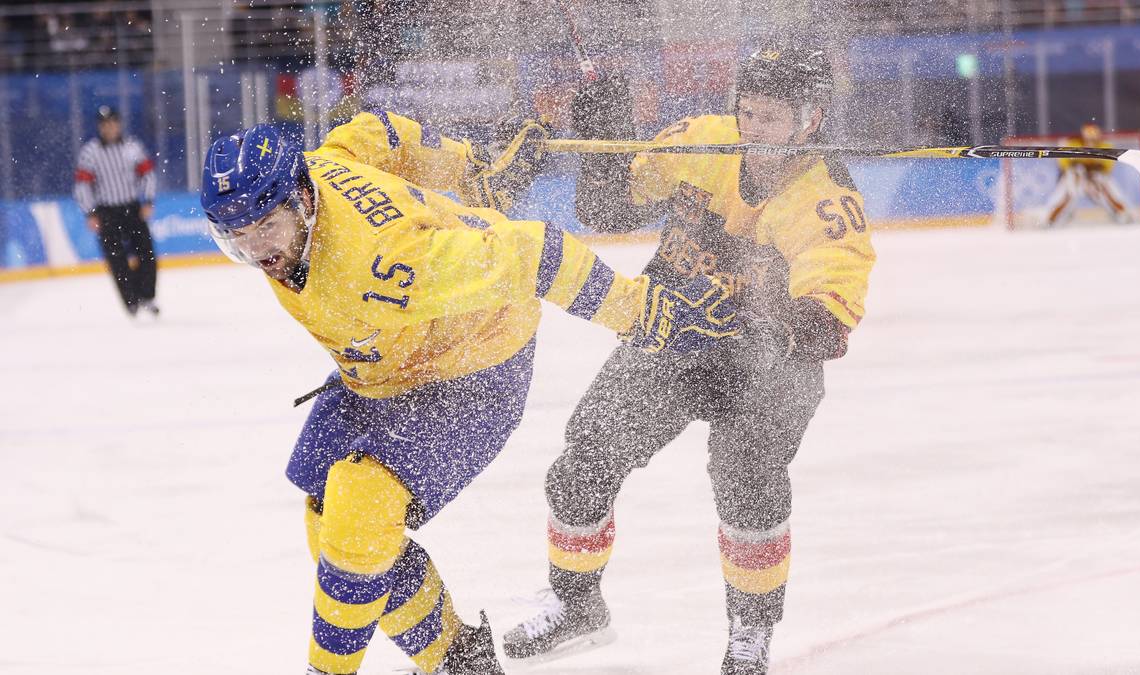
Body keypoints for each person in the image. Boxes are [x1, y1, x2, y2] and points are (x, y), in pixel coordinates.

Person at [199, 110, 738, 675]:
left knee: (359, 514)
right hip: (390, 365)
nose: (258, 251)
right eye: (234, 239)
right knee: (328, 517)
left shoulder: (383, 270)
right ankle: (459, 662)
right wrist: (469, 165)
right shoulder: (324, 166)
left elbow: (537, 255)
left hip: (474, 368)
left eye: (266, 228)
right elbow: (374, 130)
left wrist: (641, 312)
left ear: (302, 202)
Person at [502, 44, 877, 675]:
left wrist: (772, 300)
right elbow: (606, 206)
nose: (753, 132)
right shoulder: (702, 142)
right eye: (747, 114)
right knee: (582, 463)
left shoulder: (826, 204)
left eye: (772, 120)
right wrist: (602, 120)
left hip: (768, 367)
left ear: (811, 120)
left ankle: (751, 633)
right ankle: (577, 607)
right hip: (673, 334)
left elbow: (827, 330)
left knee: (746, 485)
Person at [73, 105, 159, 316]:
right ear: (100, 127)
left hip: (132, 207)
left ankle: (146, 295)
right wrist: (90, 212)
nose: (109, 128)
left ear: (118, 124)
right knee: (117, 259)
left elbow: (147, 174)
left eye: (112, 123)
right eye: (105, 124)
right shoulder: (90, 152)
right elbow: (82, 185)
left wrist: (147, 200)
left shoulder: (132, 147)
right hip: (107, 212)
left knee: (147, 254)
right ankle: (131, 301)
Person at [1039, 122, 1136, 227]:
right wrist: (1080, 170)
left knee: (1104, 186)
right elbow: (1065, 165)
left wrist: (1091, 173)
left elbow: (1106, 169)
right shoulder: (1072, 144)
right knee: (1070, 187)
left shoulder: (1105, 146)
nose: (1091, 142)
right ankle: (1050, 218)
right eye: (1088, 139)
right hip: (1076, 177)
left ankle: (1122, 213)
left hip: (1095, 180)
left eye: (1093, 139)